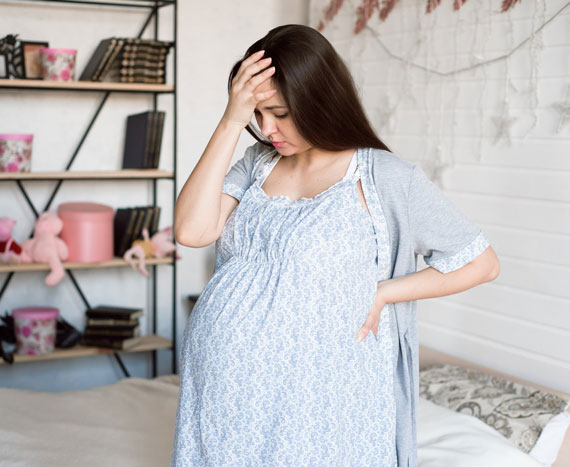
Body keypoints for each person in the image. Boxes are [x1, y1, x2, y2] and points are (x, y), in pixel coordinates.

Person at [171, 24, 500, 467]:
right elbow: (191, 231)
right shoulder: (258, 164)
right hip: (224, 395)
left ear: (318, 100)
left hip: (316, 403)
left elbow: (480, 263)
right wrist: (232, 119)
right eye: (258, 113)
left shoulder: (384, 177)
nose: (267, 129)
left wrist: (384, 292)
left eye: (281, 113)